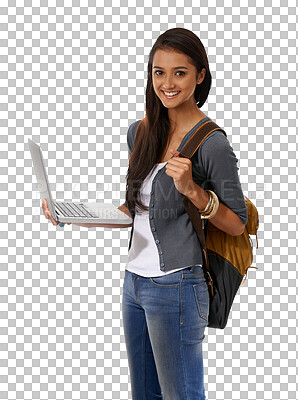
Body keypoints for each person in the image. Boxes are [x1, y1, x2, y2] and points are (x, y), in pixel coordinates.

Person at [42, 27, 248, 400]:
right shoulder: (140, 132)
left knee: (181, 395)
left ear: (200, 76)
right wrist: (69, 214)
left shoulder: (211, 143)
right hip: (134, 283)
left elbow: (237, 223)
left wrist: (195, 192)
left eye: (180, 72)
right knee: (145, 395)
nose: (167, 83)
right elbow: (133, 211)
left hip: (178, 285)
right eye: (159, 71)